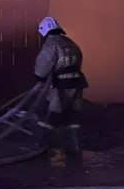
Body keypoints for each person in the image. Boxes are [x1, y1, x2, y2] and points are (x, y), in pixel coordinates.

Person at [34, 16, 88, 164]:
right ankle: (74, 147)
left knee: (51, 116)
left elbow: (42, 68)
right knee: (72, 117)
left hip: (60, 87)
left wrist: (39, 79)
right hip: (77, 85)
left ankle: (42, 146)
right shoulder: (70, 43)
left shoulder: (51, 45)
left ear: (44, 31)